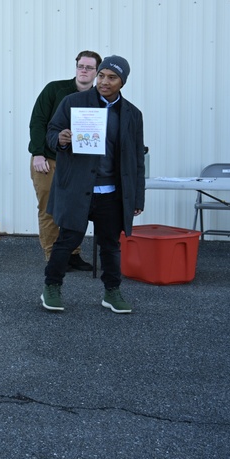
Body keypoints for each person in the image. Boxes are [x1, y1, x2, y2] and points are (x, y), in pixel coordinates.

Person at [40, 55, 145, 314]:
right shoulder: (74, 102)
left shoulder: (132, 114)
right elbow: (52, 132)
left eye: (112, 77)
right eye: (101, 75)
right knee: (66, 241)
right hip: (77, 188)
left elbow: (136, 158)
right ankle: (51, 287)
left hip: (111, 192)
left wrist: (137, 198)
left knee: (110, 244)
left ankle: (112, 292)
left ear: (123, 82)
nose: (104, 81)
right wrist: (61, 139)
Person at [28, 50, 101, 270]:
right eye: (81, 66)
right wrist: (38, 153)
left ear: (97, 72)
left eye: (89, 67)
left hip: (79, 164)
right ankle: (53, 256)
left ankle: (73, 253)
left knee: (76, 210)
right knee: (49, 208)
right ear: (76, 67)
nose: (84, 70)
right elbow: (38, 121)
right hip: (49, 160)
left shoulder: (99, 98)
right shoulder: (55, 89)